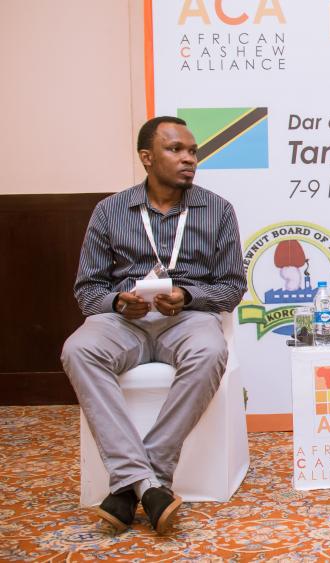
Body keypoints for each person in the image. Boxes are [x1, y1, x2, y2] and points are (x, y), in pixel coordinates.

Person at [61, 116, 246, 533]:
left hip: (187, 319)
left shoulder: (217, 210)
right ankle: (149, 485)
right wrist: (116, 301)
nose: (189, 159)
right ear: (147, 158)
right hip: (123, 322)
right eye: (175, 149)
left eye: (192, 151)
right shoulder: (109, 211)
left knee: (210, 350)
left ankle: (136, 481)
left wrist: (188, 296)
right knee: (78, 349)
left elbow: (232, 287)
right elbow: (87, 290)